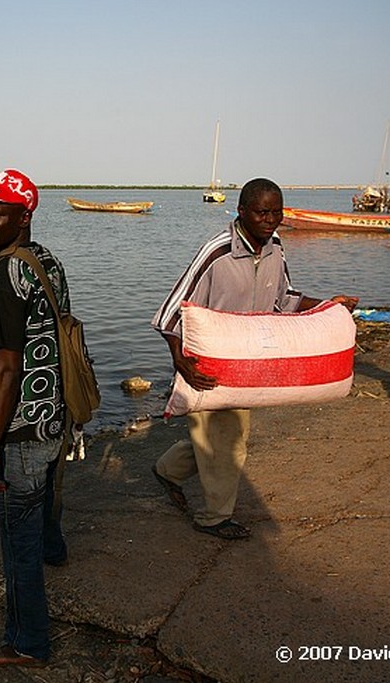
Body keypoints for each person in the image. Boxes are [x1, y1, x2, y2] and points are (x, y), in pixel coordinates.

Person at [150, 178, 357, 540]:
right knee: (228, 441)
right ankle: (214, 517)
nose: (270, 219)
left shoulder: (275, 248)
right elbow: (169, 312)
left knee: (220, 436)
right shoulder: (217, 251)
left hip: (248, 368)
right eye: (262, 212)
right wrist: (180, 361)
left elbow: (285, 299)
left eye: (276, 212)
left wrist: (327, 306)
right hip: (207, 364)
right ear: (242, 210)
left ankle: (167, 471)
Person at [0, 169, 70, 668]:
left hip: (22, 431)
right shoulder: (44, 260)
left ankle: (29, 642)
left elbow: (6, 368)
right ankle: (57, 548)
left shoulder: (5, 274)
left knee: (17, 542)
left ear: (22, 217)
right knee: (45, 502)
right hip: (53, 417)